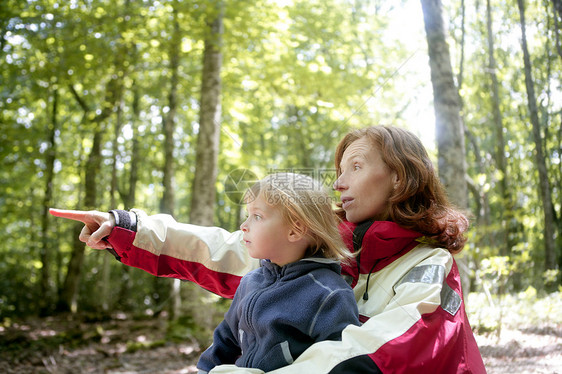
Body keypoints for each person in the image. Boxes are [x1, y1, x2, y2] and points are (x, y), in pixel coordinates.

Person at [50, 125, 487, 373]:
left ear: (400, 177)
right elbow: (225, 250)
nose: (338, 183)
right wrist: (127, 227)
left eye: (356, 167)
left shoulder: (431, 264)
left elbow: (379, 348)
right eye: (339, 170)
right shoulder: (323, 253)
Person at [196, 173, 360, 373]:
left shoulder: (329, 294)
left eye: (257, 216)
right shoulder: (251, 281)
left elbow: (343, 361)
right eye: (248, 215)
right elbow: (225, 337)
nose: (244, 226)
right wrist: (204, 369)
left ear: (295, 230)